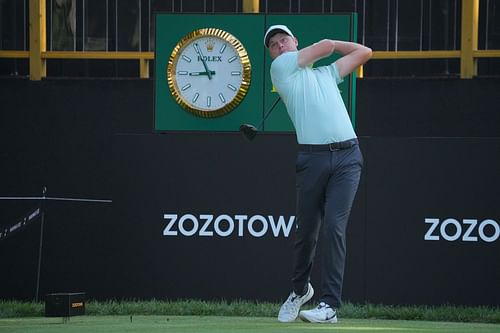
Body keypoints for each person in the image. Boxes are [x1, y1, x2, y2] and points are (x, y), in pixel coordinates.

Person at [264, 25, 372, 323]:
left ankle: (329, 306)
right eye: (273, 44)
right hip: (313, 159)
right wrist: (327, 47)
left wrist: (331, 48)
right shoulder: (281, 68)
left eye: (284, 39)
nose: (280, 46)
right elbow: (324, 45)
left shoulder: (327, 75)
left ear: (295, 42)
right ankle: (300, 290)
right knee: (307, 233)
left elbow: (365, 52)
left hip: (348, 157)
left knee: (334, 228)